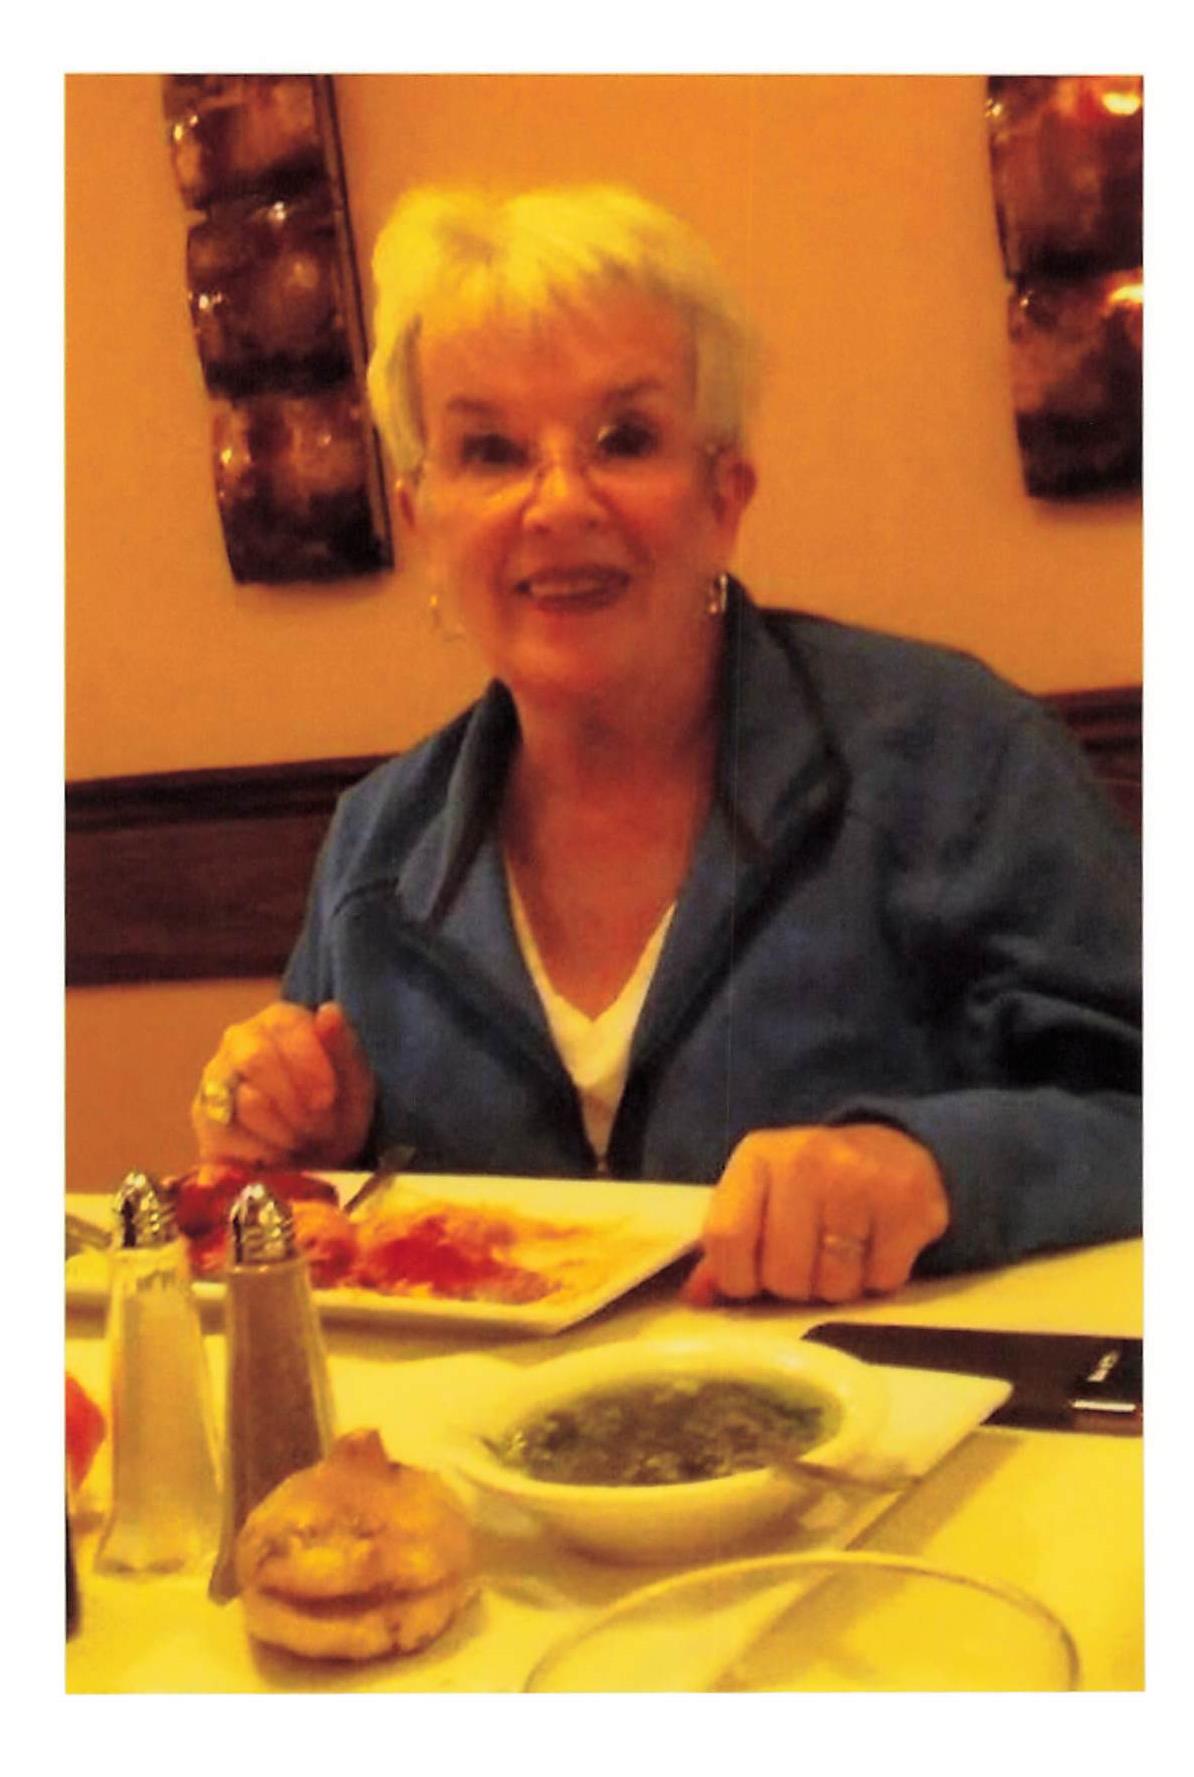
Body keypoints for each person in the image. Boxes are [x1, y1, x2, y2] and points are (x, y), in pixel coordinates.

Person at [192, 183, 1141, 1306]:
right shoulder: (376, 848)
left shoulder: (955, 757)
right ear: (424, 518)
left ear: (723, 496)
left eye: (624, 439)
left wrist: (932, 1167)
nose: (558, 502)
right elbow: (330, 1232)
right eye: (490, 451)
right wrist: (309, 1142)